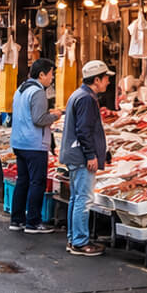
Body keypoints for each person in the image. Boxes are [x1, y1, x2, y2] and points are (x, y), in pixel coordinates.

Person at [60, 60, 111, 257]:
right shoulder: (87, 99)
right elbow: (84, 130)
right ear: (96, 79)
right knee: (84, 199)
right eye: (106, 78)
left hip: (74, 155)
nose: (108, 82)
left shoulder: (79, 95)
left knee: (76, 197)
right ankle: (80, 242)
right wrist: (91, 155)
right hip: (80, 156)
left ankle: (74, 239)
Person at [10, 59, 59, 234]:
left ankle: (17, 220)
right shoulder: (38, 92)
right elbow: (39, 119)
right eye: (51, 74)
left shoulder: (21, 89)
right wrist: (55, 116)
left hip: (19, 142)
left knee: (22, 181)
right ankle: (33, 222)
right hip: (34, 144)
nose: (52, 78)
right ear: (42, 74)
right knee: (37, 182)